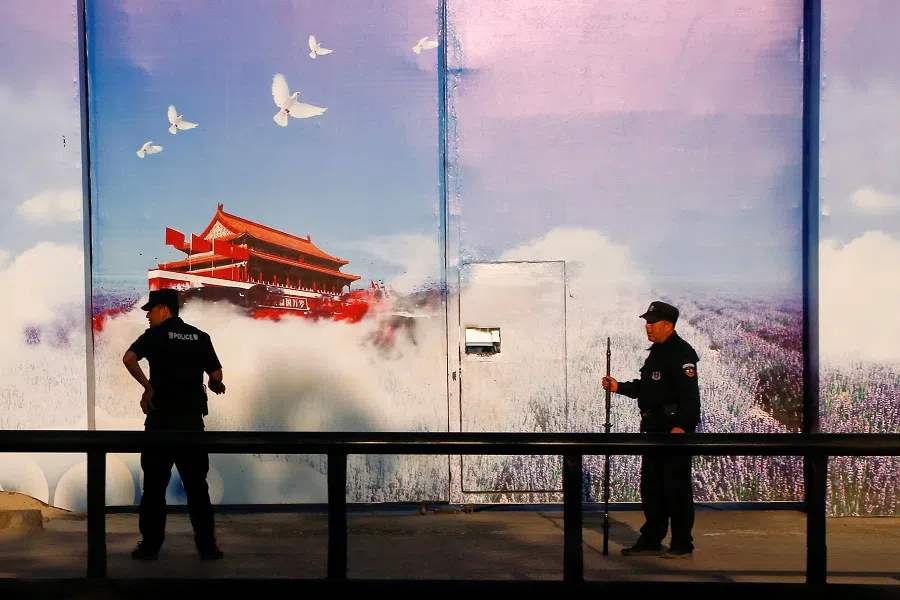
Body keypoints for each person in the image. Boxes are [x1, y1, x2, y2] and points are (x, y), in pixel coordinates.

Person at [122, 288, 226, 561]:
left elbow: (128, 358)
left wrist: (148, 388)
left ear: (164, 310)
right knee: (197, 488)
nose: (148, 317)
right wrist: (215, 384)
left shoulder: (154, 336)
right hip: (192, 424)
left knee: (154, 488)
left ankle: (149, 547)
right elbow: (216, 374)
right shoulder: (200, 336)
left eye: (151, 311)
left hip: (160, 423)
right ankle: (208, 547)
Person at [601, 300, 701, 559]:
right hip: (654, 430)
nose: (647, 326)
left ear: (668, 326)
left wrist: (682, 427)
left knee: (676, 491)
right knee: (653, 489)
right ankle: (651, 539)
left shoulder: (681, 353)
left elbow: (690, 398)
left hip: (672, 432)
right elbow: (649, 388)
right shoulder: (658, 351)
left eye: (652, 322)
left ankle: (682, 544)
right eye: (647, 322)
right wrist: (618, 387)